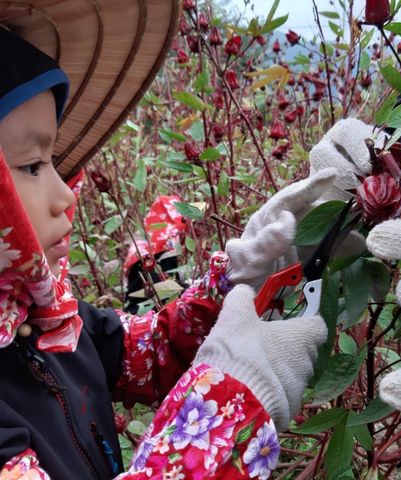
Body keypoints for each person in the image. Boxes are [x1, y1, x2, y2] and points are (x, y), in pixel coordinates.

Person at [0, 1, 359, 478]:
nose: (66, 193)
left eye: (54, 160)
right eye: (30, 166)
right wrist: (230, 407)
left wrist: (243, 274)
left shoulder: (46, 319)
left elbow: (147, 352)